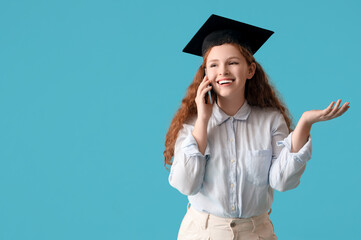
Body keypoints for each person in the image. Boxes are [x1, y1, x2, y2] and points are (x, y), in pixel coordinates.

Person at [163, 14, 350, 240]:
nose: (222, 71)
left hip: (256, 233)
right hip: (203, 233)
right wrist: (203, 121)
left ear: (250, 70)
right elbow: (186, 185)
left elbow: (282, 181)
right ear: (206, 74)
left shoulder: (270, 120)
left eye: (233, 62)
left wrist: (304, 124)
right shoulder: (192, 124)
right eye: (213, 65)